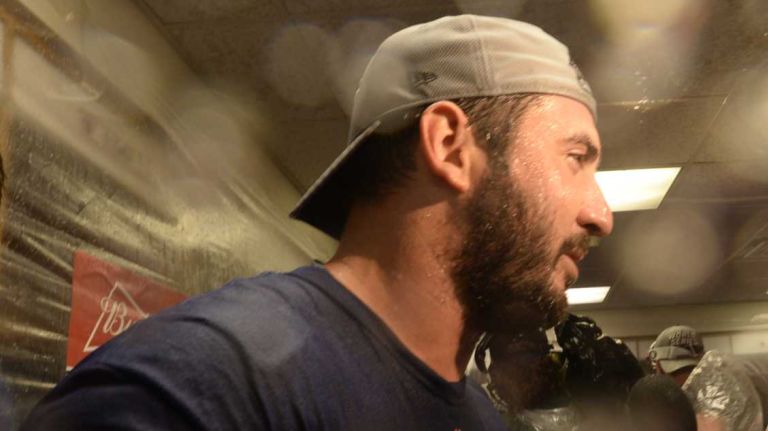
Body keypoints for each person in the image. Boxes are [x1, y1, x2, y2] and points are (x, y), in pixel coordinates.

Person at [21, 14, 612, 430]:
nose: (601, 214)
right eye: (575, 158)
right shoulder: (203, 388)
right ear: (451, 146)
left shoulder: (477, 414)